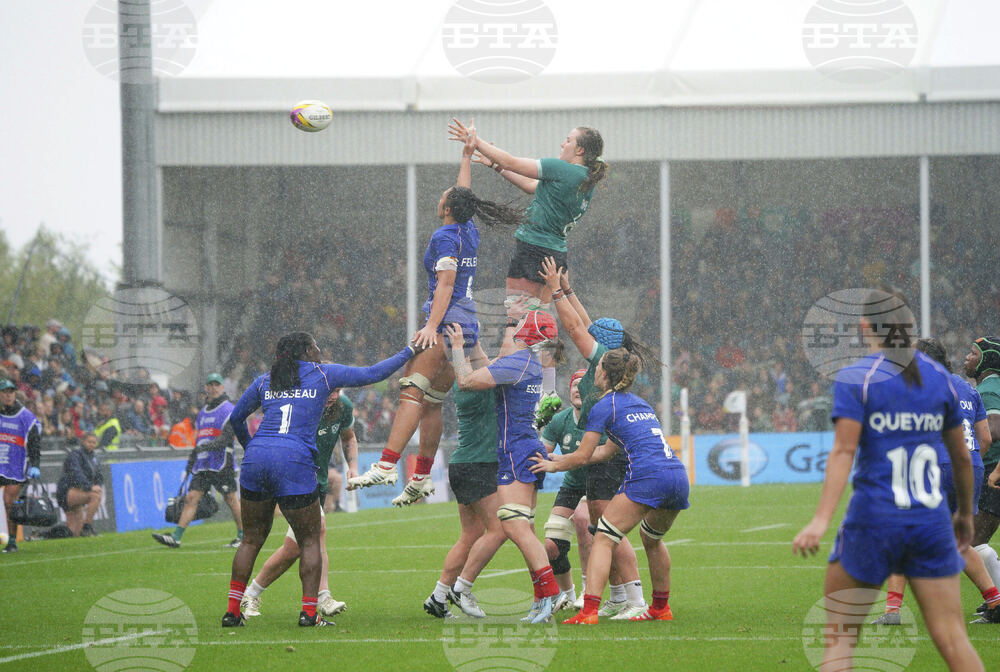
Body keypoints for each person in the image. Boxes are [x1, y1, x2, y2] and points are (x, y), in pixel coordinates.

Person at [792, 294, 984, 671]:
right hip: (930, 522)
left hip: (874, 520)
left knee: (840, 641)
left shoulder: (858, 378)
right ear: (910, 330)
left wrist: (820, 519)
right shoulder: (942, 380)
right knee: (952, 637)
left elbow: (844, 452)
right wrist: (963, 513)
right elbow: (962, 456)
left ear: (865, 328)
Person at [350, 124, 523, 505]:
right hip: (468, 320)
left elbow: (445, 284)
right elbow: (465, 195)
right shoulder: (468, 229)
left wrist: (431, 326)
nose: (444, 196)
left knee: (411, 391)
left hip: (448, 321)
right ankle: (422, 477)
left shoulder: (445, 237)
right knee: (431, 402)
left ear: (446, 208)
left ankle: (385, 465)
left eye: (445, 196)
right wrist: (466, 156)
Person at [221, 332, 414, 628]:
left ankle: (233, 612)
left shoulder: (264, 380)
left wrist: (252, 448)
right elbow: (375, 373)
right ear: (308, 350)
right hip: (294, 460)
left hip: (257, 458)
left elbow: (235, 418)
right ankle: (309, 613)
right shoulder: (323, 374)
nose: (320, 351)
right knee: (309, 538)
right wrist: (409, 350)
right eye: (316, 347)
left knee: (250, 539)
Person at [448, 118, 608, 424]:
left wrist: (475, 142)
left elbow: (515, 162)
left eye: (568, 140)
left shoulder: (567, 169)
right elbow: (531, 186)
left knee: (519, 318)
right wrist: (495, 165)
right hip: (555, 252)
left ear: (580, 150)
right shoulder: (582, 178)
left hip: (533, 250)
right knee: (540, 317)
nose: (563, 143)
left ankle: (517, 387)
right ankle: (547, 389)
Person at [531, 348, 689, 625]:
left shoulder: (604, 405)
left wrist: (553, 466)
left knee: (603, 536)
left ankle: (589, 611)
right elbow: (604, 452)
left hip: (649, 476)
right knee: (652, 540)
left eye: (597, 367)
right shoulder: (640, 403)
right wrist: (562, 457)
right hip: (677, 476)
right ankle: (660, 608)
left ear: (602, 373)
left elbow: (583, 456)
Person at [538, 256, 657, 618]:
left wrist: (556, 292)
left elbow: (576, 329)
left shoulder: (602, 356)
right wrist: (570, 291)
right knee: (601, 526)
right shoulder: (605, 355)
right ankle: (620, 595)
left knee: (608, 530)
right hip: (607, 456)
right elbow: (586, 324)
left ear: (600, 344)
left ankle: (635, 600)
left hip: (609, 457)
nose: (586, 337)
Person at [871, 338, 1000, 625]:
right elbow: (986, 439)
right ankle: (995, 601)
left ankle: (892, 611)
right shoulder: (968, 389)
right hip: (971, 466)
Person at [446, 313, 561, 624]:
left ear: (525, 333)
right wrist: (475, 343)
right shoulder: (524, 362)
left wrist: (458, 347)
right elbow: (491, 364)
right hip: (524, 447)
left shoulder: (517, 363)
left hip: (516, 451)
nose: (511, 328)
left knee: (514, 527)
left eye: (516, 325)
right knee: (523, 527)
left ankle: (550, 593)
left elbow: (466, 380)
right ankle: (542, 599)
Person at [241, 390, 357, 619]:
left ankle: (251, 593)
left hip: (317, 484)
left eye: (336, 390)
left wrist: (352, 466)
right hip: (294, 481)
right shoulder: (302, 406)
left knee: (296, 547)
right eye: (329, 390)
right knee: (316, 530)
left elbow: (349, 437)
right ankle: (322, 596)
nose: (332, 395)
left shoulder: (343, 406)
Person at [423, 342, 506, 619]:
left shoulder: (469, 382)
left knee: (470, 535)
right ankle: (462, 588)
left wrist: (473, 339)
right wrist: (460, 346)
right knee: (499, 529)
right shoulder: (470, 383)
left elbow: (484, 361)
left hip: (467, 464)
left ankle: (438, 596)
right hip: (476, 466)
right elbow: (495, 364)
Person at [152, 374, 243, 549]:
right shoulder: (202, 413)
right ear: (207, 388)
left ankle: (242, 536)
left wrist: (206, 447)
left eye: (217, 384)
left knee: (231, 498)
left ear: (222, 388)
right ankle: (176, 537)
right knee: (191, 498)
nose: (214, 388)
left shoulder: (229, 409)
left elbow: (226, 439)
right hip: (203, 464)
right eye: (211, 385)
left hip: (221, 462)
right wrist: (191, 462)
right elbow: (199, 440)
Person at [539, 369, 596, 612]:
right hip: (572, 486)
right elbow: (541, 453)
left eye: (582, 385)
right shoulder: (559, 420)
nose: (576, 389)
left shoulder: (598, 419)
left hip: (599, 484)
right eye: (573, 385)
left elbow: (588, 458)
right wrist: (536, 424)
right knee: (551, 546)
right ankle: (567, 595)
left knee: (583, 522)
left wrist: (558, 462)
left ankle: (587, 590)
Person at [966, 337, 1000, 594]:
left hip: (992, 473)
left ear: (986, 360)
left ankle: (996, 601)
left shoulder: (989, 388)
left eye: (973, 353)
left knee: (973, 541)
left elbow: (994, 429)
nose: (967, 357)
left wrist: (973, 457)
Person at [0, 378, 41, 553]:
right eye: (4, 392)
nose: (8, 396)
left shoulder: (25, 416)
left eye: (11, 392)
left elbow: (35, 441)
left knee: (9, 502)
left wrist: (35, 464)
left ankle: (11, 541)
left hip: (15, 465)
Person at [56, 432, 103, 537]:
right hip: (67, 491)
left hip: (80, 491)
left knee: (73, 533)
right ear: (83, 442)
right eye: (89, 442)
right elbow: (76, 474)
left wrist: (98, 485)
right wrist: (90, 487)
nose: (91, 444)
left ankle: (43, 535)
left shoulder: (94, 457)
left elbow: (99, 475)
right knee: (95, 495)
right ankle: (87, 527)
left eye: (94, 443)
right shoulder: (75, 455)